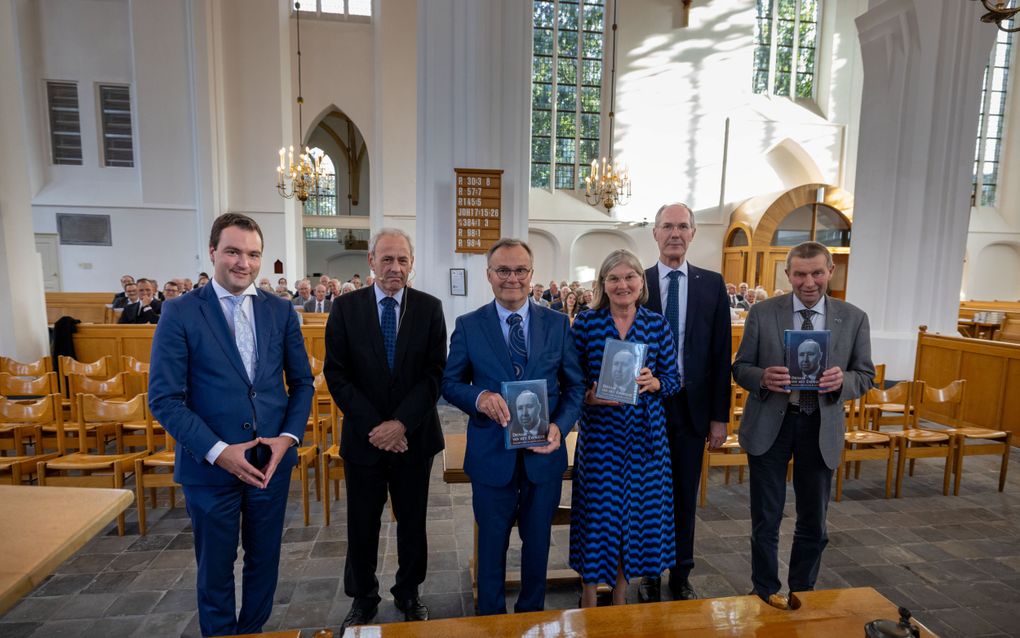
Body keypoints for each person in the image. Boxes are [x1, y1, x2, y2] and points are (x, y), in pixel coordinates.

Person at [149, 213, 314, 637]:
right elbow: (164, 399)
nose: (244, 262)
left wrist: (288, 439)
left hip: (268, 464)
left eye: (253, 254)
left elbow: (301, 384)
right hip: (210, 468)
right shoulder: (181, 311)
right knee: (216, 569)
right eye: (234, 252)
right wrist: (219, 451)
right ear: (213, 252)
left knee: (265, 562)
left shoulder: (279, 311)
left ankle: (253, 631)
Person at [442, 238, 584, 615]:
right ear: (489, 275)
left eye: (520, 270)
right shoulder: (470, 325)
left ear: (531, 275)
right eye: (503, 270)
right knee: (491, 546)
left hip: (544, 457)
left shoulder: (557, 324)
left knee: (537, 545)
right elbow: (450, 382)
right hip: (492, 457)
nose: (512, 278)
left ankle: (531, 618)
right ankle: (490, 621)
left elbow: (575, 387)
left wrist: (561, 427)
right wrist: (479, 399)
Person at [732, 241, 874, 610]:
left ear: (830, 272)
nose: (808, 282)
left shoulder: (854, 317)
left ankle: (802, 592)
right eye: (799, 274)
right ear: (788, 274)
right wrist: (763, 377)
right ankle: (763, 591)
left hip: (819, 425)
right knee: (766, 517)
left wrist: (843, 381)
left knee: (814, 520)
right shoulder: (763, 313)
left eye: (816, 273)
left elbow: (865, 375)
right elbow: (740, 366)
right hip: (771, 424)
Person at [324, 228, 447, 631]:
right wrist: (377, 426)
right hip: (365, 439)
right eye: (387, 259)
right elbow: (337, 374)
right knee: (362, 522)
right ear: (371, 261)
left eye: (403, 260)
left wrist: (400, 424)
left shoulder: (429, 308)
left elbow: (434, 374)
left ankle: (409, 592)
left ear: (412, 264)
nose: (395, 268)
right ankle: (363, 596)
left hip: (414, 437)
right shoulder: (345, 309)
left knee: (412, 521)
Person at [570, 249, 680, 607]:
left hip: (646, 441)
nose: (622, 285)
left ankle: (620, 596)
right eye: (614, 278)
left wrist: (655, 383)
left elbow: (675, 379)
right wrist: (590, 396)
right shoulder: (587, 323)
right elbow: (570, 382)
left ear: (640, 282)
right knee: (597, 520)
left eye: (629, 277)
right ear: (603, 284)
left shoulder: (655, 324)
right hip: (602, 440)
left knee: (632, 522)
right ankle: (588, 595)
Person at [639, 202, 731, 603]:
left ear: (693, 233)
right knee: (646, 494)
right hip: (646, 406)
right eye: (667, 226)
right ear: (654, 234)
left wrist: (719, 417)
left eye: (682, 226)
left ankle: (681, 572)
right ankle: (647, 572)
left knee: (683, 496)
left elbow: (720, 354)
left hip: (693, 409)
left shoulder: (712, 284)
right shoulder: (634, 282)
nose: (674, 233)